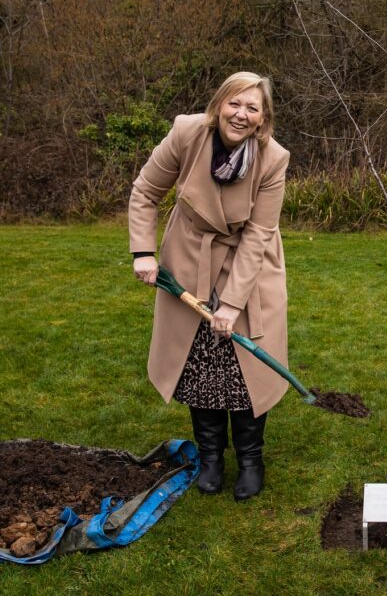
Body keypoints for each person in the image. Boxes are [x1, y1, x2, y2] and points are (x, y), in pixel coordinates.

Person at [129, 72, 290, 501]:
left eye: (252, 108)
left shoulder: (273, 158)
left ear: (262, 119)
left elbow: (258, 235)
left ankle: (251, 459)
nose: (241, 114)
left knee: (245, 366)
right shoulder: (186, 133)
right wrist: (142, 251)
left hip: (248, 265)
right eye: (234, 103)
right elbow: (146, 191)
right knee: (197, 360)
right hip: (188, 258)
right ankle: (211, 457)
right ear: (219, 104)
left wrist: (232, 303)